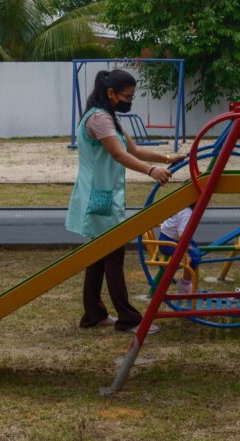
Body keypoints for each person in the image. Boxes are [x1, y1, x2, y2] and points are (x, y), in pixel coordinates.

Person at [66, 69, 185, 334]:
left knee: (98, 257)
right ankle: (128, 318)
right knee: (113, 256)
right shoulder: (98, 119)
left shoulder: (109, 117)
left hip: (103, 195)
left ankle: (93, 315)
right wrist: (150, 171)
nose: (129, 100)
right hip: (98, 196)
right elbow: (119, 155)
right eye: (126, 96)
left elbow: (135, 150)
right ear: (110, 93)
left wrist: (167, 159)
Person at [158, 204, 201, 294]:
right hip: (168, 243)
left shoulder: (183, 207)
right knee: (192, 258)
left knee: (196, 252)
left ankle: (182, 278)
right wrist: (186, 254)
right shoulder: (187, 213)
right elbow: (183, 236)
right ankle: (184, 285)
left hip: (171, 239)